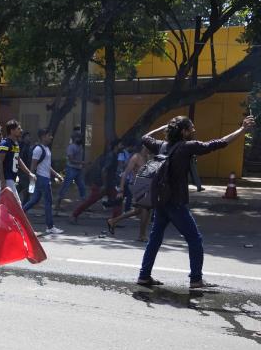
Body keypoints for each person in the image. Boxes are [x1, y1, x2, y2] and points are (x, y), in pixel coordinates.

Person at [137, 114, 255, 289]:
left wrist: (162, 128)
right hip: (176, 202)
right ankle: (196, 279)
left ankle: (144, 276)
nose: (194, 130)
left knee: (155, 239)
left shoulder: (161, 146)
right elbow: (219, 142)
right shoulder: (187, 147)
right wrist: (243, 129)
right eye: (191, 128)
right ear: (184, 132)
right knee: (195, 239)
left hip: (161, 200)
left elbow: (145, 137)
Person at [21, 128, 65, 234]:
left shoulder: (46, 149)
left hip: (44, 178)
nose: (51, 137)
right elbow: (33, 165)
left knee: (34, 200)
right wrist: (32, 178)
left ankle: (18, 214)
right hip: (42, 179)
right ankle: (50, 227)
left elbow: (47, 166)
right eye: (49, 135)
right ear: (43, 137)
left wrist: (56, 174)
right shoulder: (38, 149)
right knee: (48, 202)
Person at [105, 146, 152, 241]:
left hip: (146, 187)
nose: (149, 149)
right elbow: (125, 174)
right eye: (148, 147)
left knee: (138, 211)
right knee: (145, 209)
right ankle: (142, 235)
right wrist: (121, 190)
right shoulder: (136, 157)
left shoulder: (149, 158)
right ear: (143, 147)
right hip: (138, 187)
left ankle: (113, 221)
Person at [0, 119, 35, 197]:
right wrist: (2, 180)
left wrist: (29, 173)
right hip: (7, 179)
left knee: (5, 205)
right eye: (18, 129)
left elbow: (18, 159)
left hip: (12, 178)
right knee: (16, 204)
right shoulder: (5, 144)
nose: (21, 130)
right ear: (12, 131)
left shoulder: (16, 144)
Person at [56, 130, 86, 211]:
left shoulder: (80, 146)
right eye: (79, 137)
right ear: (75, 138)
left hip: (78, 169)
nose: (80, 138)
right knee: (66, 186)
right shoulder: (71, 147)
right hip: (71, 168)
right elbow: (71, 159)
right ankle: (57, 204)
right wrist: (82, 162)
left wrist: (81, 164)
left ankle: (84, 205)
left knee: (82, 186)